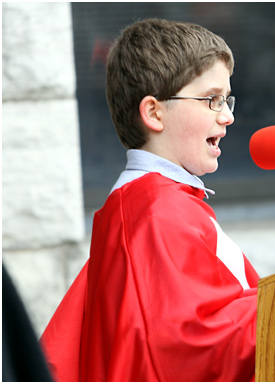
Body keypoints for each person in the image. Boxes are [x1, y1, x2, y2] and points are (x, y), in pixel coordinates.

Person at [40, 18, 259, 382]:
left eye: (227, 99)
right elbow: (189, 349)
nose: (228, 115)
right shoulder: (157, 212)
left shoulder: (154, 202)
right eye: (211, 100)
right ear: (154, 112)